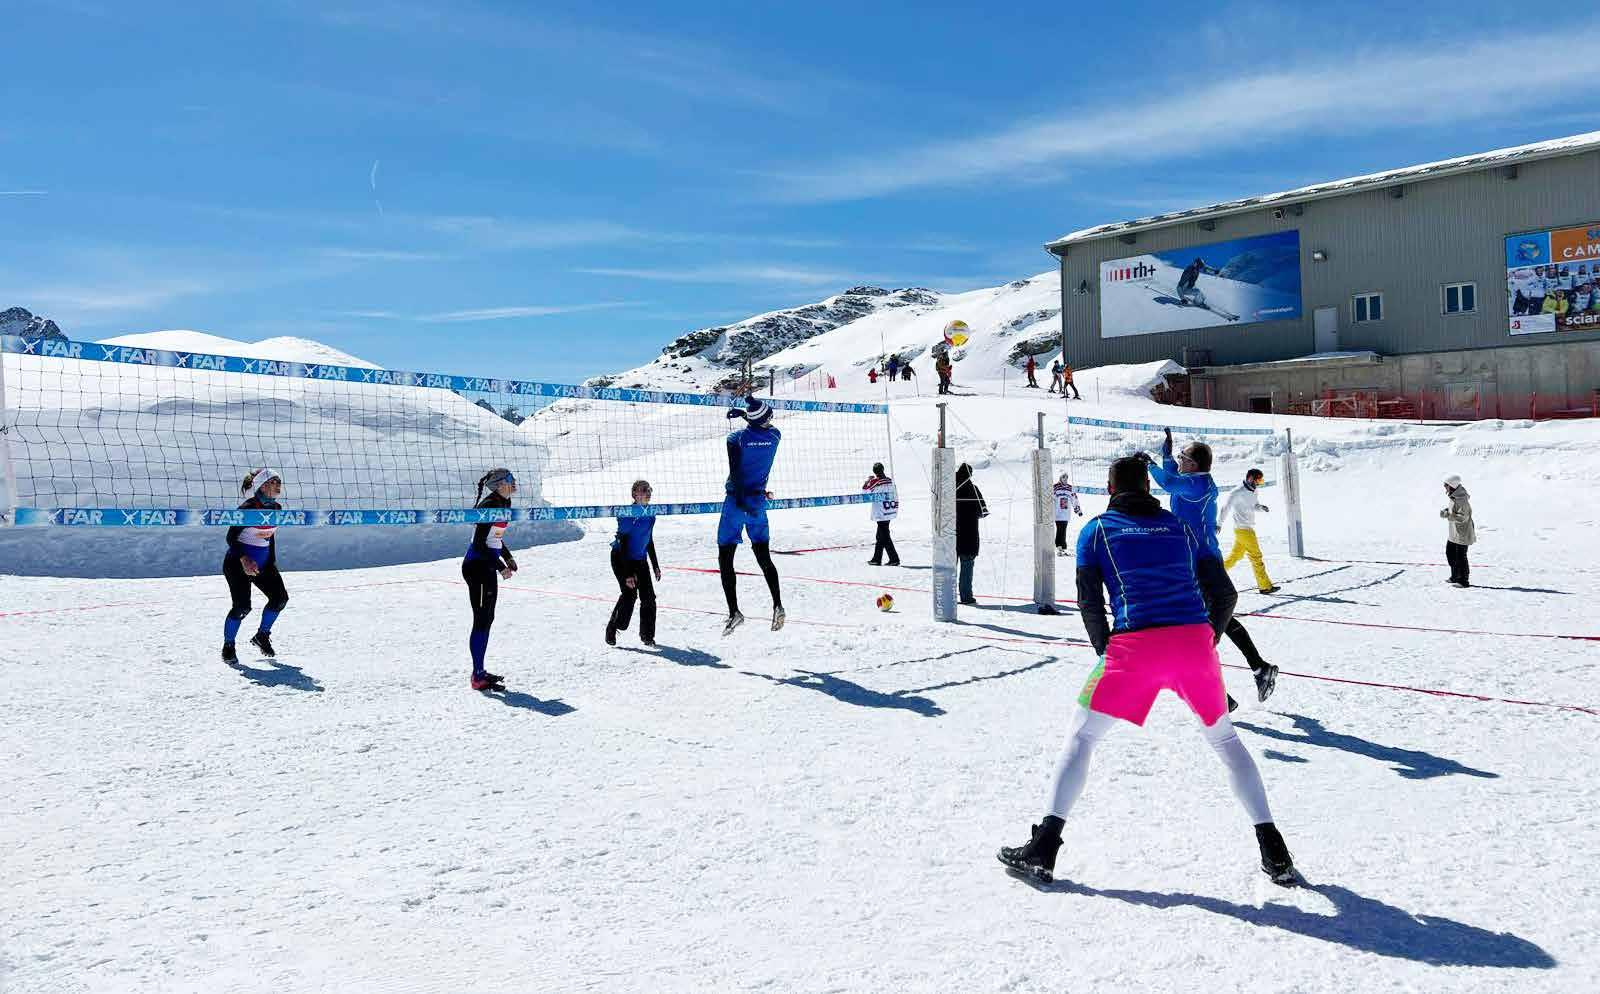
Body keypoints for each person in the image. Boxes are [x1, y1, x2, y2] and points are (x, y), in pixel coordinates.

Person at [997, 455, 1297, 887]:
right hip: (1193, 646)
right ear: (1149, 488)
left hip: (1133, 647)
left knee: (1082, 737)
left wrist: (1106, 652)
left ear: (1110, 489)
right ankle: (1275, 851)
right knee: (1226, 741)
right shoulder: (1181, 528)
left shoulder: (1095, 530)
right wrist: (1206, 640)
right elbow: (1225, 594)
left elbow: (1088, 601)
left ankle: (1044, 847)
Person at [1145, 431, 1275, 706]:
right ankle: (1258, 668)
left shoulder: (1200, 483)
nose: (1179, 460)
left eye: (1182, 457)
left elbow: (1168, 482)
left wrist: (1149, 464)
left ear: (1193, 464)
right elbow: (1173, 476)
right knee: (1219, 617)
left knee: (1213, 617)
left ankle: (1223, 689)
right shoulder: (1191, 480)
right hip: (1193, 558)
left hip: (1204, 558)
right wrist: (1166, 456)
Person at [720, 397, 784, 634]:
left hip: (736, 503)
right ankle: (777, 605)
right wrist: (746, 413)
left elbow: (736, 472)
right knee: (764, 556)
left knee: (726, 558)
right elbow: (760, 424)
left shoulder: (735, 439)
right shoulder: (775, 436)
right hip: (757, 504)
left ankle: (734, 612)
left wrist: (739, 501)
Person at [222, 468, 290, 664]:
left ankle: (262, 635)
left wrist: (271, 561)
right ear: (262, 485)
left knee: (280, 599)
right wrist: (244, 559)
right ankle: (228, 646)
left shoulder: (276, 508)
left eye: (279, 481)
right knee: (242, 608)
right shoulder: (248, 508)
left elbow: (270, 536)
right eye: (274, 481)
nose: (278, 485)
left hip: (262, 564)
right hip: (237, 563)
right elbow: (230, 537)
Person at [463, 468, 518, 690]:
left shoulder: (505, 502)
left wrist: (507, 556)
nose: (514, 482)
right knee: (481, 620)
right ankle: (477, 676)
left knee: (488, 619)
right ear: (499, 484)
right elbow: (479, 544)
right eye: (510, 479)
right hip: (477, 566)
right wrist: (500, 566)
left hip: (487, 565)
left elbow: (494, 537)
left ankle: (480, 671)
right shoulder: (489, 505)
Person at [607, 479, 661, 647]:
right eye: (643, 489)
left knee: (649, 598)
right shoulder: (627, 513)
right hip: (621, 557)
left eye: (649, 489)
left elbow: (648, 540)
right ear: (634, 494)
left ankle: (647, 636)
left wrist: (655, 565)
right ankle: (614, 626)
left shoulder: (650, 513)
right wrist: (628, 574)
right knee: (630, 595)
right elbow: (623, 543)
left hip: (640, 559)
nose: (647, 492)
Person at [1222, 468, 1279, 594]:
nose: (1259, 484)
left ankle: (1215, 573)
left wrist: (1261, 507)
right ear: (1250, 479)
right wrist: (1219, 524)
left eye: (1261, 481)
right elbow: (1225, 508)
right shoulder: (1237, 492)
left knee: (1235, 556)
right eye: (1258, 480)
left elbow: (1253, 506)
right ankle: (1265, 586)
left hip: (1245, 530)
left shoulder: (1254, 491)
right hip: (1243, 530)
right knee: (1256, 557)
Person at [955, 462, 988, 604]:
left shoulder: (950, 488)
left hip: (950, 534)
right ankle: (966, 596)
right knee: (967, 566)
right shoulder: (973, 489)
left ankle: (947, 596)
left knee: (949, 568)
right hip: (969, 533)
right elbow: (983, 511)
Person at [864, 462, 900, 567]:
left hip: (881, 512)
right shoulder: (890, 480)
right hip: (889, 510)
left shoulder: (876, 481)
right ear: (883, 469)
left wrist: (868, 481)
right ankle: (877, 559)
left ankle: (894, 559)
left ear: (874, 472)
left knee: (884, 536)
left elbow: (864, 492)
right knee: (880, 535)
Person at [1441, 474, 1475, 588]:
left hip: (1463, 533)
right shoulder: (1454, 496)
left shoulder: (1461, 500)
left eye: (1446, 485)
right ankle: (1455, 576)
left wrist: (1448, 515)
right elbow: (1455, 511)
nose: (1445, 487)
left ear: (1452, 485)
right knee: (1450, 553)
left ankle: (1463, 581)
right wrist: (1448, 511)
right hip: (1454, 532)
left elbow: (1462, 517)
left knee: (1461, 556)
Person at [1052, 472, 1083, 556]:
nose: (1065, 479)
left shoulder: (1070, 488)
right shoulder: (1055, 487)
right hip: (1057, 513)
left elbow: (1074, 500)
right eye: (1063, 477)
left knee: (1063, 529)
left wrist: (1078, 510)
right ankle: (1060, 546)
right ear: (1060, 478)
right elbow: (1050, 499)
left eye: (1066, 478)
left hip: (1066, 514)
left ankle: (1061, 547)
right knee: (1060, 529)